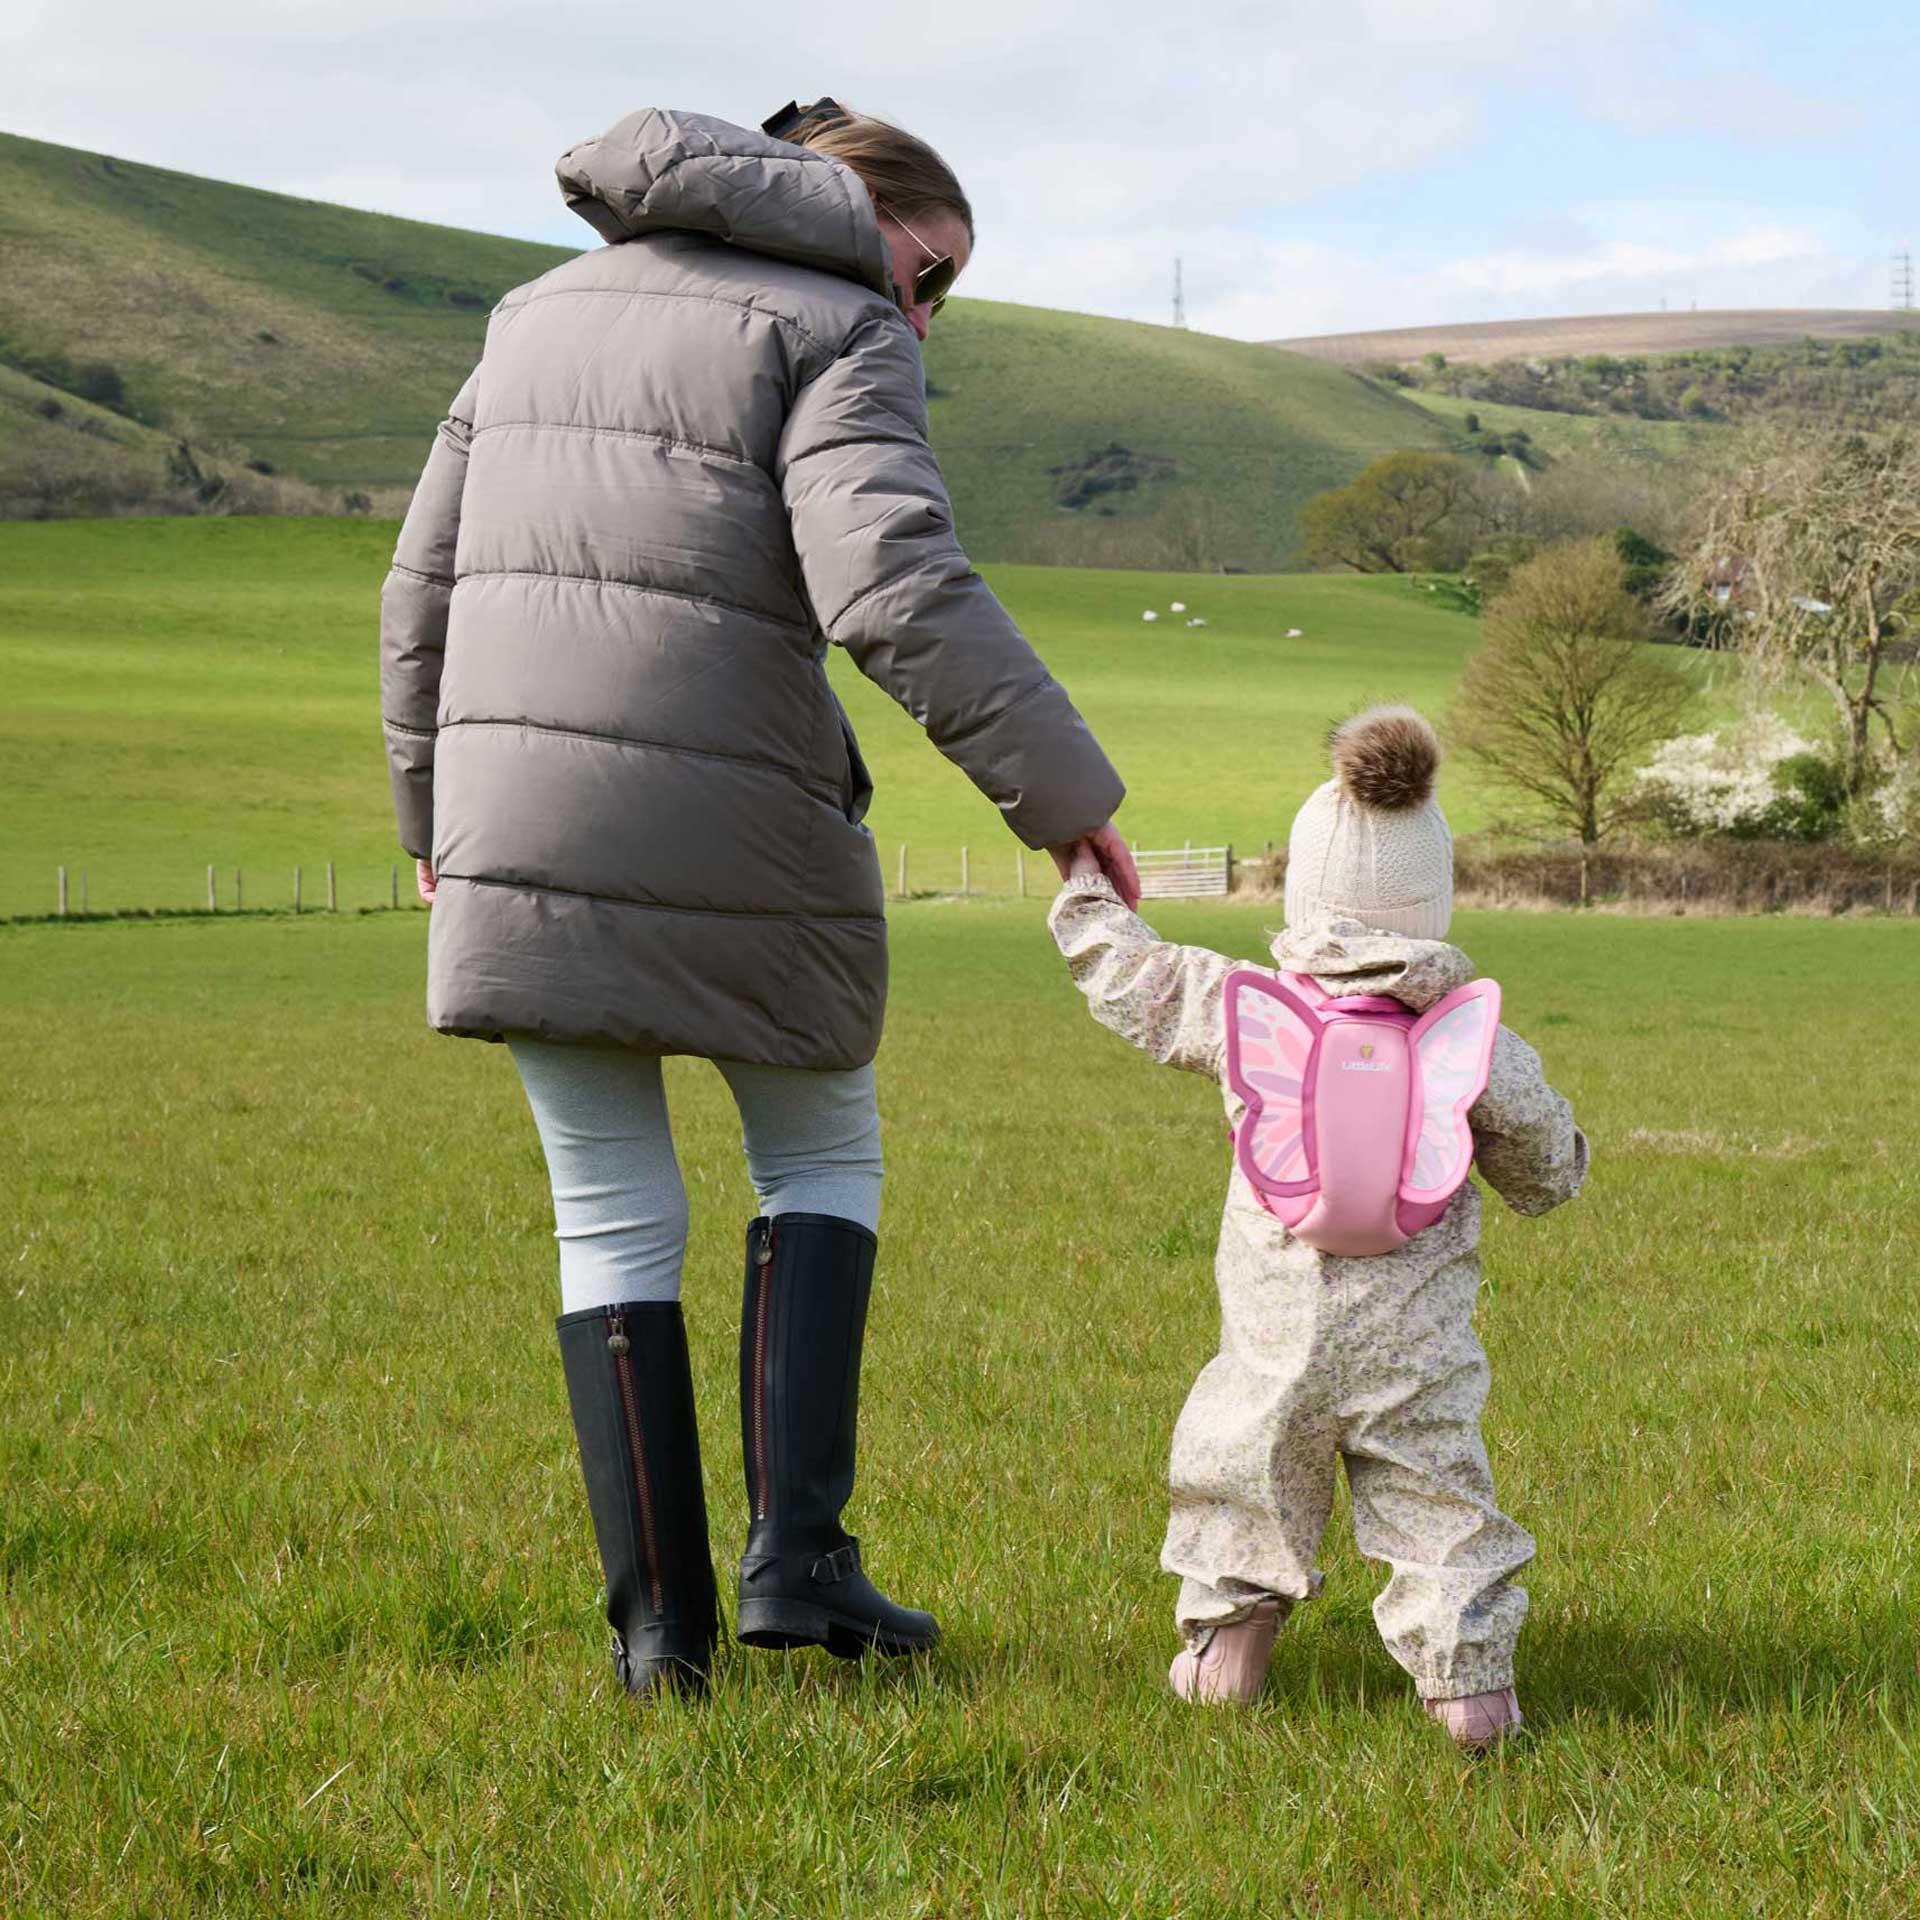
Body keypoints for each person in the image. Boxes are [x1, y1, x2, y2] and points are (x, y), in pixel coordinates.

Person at [379, 99, 1138, 1698]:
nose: (929, 316)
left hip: (514, 823)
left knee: (606, 1213)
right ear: (853, 215)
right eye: (934, 274)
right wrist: (1064, 804)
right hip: (741, 819)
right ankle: (801, 1563)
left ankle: (661, 1638)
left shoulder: (531, 314)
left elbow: (422, 583)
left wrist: (427, 815)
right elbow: (891, 582)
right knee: (819, 1152)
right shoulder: (840, 320)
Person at [1047, 707, 1585, 1749]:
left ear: (1305, 888)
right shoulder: (1470, 1039)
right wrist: (1559, 1166)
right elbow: (1546, 1163)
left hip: (1278, 1338)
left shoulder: (1242, 1006)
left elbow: (1133, 977)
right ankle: (1470, 1691)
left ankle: (1226, 1653)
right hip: (1415, 1349)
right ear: (1433, 898)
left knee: (1243, 1468)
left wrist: (1083, 889)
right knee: (1439, 1500)